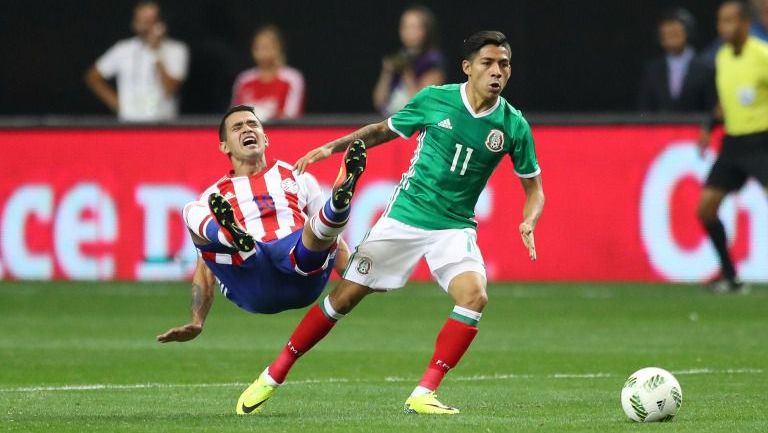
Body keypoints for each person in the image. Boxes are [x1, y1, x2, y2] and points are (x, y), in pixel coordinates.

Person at [235, 31, 545, 416]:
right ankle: (273, 374)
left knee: (474, 296)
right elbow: (382, 130)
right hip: (405, 218)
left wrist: (528, 220)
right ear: (468, 68)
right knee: (343, 298)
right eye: (487, 63)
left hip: (454, 227)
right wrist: (334, 146)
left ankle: (424, 393)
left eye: (504, 64)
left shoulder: (513, 125)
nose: (497, 71)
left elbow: (534, 187)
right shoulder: (436, 100)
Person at [156, 105, 367, 380]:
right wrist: (197, 320)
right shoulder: (214, 194)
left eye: (253, 125)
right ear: (224, 147)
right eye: (238, 127)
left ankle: (339, 202)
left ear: (265, 138)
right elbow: (206, 267)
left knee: (313, 234)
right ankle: (234, 237)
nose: (247, 129)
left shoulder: (298, 176)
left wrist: (360, 276)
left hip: (299, 266)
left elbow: (332, 242)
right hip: (251, 279)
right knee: (191, 211)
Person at [697, 0, 768, 293]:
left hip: (762, 141)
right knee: (706, 209)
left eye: (728, 21)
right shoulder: (723, 57)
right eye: (720, 21)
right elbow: (726, 103)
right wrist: (708, 128)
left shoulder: (762, 55)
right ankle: (731, 277)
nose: (722, 27)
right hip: (734, 143)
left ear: (744, 24)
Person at [85, 1, 189, 122]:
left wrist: (155, 52)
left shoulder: (177, 50)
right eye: (141, 20)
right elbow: (93, 77)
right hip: (129, 125)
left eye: (149, 21)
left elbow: (170, 89)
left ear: (160, 23)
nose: (145, 25)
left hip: (162, 124)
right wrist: (118, 105)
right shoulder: (122, 49)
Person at [638, 8, 716, 112]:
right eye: (667, 34)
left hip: (696, 127)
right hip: (662, 127)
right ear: (660, 38)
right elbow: (645, 108)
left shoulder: (706, 69)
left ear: (687, 32)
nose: (671, 37)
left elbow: (712, 107)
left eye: (675, 33)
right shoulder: (652, 70)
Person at [372, 5, 445, 116]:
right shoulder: (399, 57)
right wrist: (387, 73)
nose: (408, 32)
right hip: (390, 119)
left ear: (426, 30)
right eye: (405, 27)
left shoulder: (432, 60)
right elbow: (378, 103)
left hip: (416, 122)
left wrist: (407, 74)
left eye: (414, 27)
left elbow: (421, 103)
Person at [231, 25, 305, 121]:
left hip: (279, 132)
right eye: (258, 47)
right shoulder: (244, 79)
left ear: (278, 48)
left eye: (266, 47)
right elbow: (233, 114)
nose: (262, 52)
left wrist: (265, 115)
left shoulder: (291, 78)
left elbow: (291, 115)